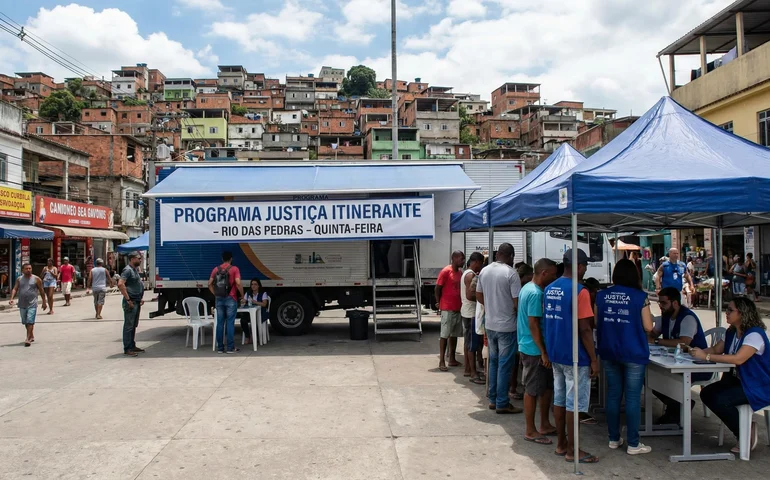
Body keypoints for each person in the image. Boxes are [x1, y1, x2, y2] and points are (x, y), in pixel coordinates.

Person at [692, 298, 770, 454]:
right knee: (707, 393)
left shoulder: (754, 334)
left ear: (742, 313)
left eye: (730, 310)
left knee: (720, 399)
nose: (726, 313)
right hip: (738, 381)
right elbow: (716, 349)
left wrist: (706, 357)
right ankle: (744, 427)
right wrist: (694, 352)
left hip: (757, 385)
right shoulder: (732, 331)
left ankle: (744, 432)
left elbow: (738, 359)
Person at [544, 248, 599, 463]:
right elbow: (585, 328)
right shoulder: (580, 291)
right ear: (579, 266)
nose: (585, 270)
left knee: (559, 400)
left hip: (556, 353)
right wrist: (593, 359)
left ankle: (561, 444)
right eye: (585, 266)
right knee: (574, 404)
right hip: (575, 356)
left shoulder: (550, 288)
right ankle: (573, 450)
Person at [595, 259, 655, 455]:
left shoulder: (601, 295)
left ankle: (613, 438)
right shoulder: (640, 297)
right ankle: (633, 444)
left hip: (609, 350)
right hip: (634, 352)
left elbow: (596, 321)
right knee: (632, 397)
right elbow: (648, 327)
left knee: (613, 394)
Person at [648, 287, 709, 424]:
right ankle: (678, 407)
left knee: (662, 378)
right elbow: (652, 334)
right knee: (649, 376)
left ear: (675, 303)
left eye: (664, 303)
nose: (660, 306)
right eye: (659, 303)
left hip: (695, 365)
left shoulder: (687, 318)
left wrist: (656, 341)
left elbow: (683, 342)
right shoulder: (664, 317)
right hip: (673, 361)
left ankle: (678, 408)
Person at [476, 242, 522, 414]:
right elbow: (517, 302)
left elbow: (478, 294)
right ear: (511, 256)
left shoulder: (485, 271)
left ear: (497, 255)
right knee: (504, 364)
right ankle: (502, 402)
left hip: (490, 324)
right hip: (507, 326)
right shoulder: (511, 273)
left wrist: (491, 306)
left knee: (494, 362)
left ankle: (493, 399)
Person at [518, 258, 558, 444]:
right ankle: (530, 430)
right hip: (534, 349)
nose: (555, 278)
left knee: (546, 387)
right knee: (532, 389)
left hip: (533, 347)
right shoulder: (535, 294)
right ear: (544, 273)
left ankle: (544, 424)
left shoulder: (527, 288)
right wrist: (543, 351)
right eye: (553, 274)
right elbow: (533, 323)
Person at [209, 251, 244, 354]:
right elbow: (238, 283)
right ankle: (230, 348)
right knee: (230, 323)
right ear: (231, 259)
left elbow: (209, 283)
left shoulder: (216, 269)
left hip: (219, 298)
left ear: (222, 259)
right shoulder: (234, 269)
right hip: (231, 298)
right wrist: (242, 295)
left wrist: (215, 294)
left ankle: (220, 348)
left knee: (220, 323)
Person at [436, 250, 466, 371]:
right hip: (447, 308)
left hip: (458, 308)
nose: (463, 261)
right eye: (461, 259)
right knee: (445, 334)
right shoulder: (445, 271)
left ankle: (452, 358)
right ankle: (442, 361)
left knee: (454, 334)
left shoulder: (460, 272)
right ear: (454, 259)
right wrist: (438, 303)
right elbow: (437, 288)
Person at [9, 263, 47, 347]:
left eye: (30, 268)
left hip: (32, 304)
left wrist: (44, 302)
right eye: (26, 269)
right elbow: (15, 288)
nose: (28, 270)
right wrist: (11, 298)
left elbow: (41, 291)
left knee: (30, 321)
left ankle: (27, 338)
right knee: (25, 321)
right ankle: (31, 335)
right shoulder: (19, 279)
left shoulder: (36, 279)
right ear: (22, 270)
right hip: (22, 304)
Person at [461, 252, 485, 383]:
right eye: (480, 264)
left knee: (468, 342)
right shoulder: (470, 275)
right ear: (475, 262)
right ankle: (473, 373)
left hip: (467, 311)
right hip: (471, 313)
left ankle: (468, 369)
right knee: (472, 344)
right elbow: (470, 295)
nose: (481, 267)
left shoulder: (466, 273)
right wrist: (482, 297)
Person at [118, 252, 145, 357]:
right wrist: (128, 299)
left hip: (136, 300)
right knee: (129, 326)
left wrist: (140, 297)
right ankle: (127, 348)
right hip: (131, 301)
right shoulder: (128, 270)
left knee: (133, 325)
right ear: (132, 259)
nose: (140, 260)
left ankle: (132, 345)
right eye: (139, 258)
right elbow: (120, 284)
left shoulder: (135, 270)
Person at [240, 278, 269, 345]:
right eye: (252, 284)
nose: (253, 286)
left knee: (256, 320)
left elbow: (264, 304)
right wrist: (243, 301)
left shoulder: (263, 293)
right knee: (243, 320)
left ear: (258, 286)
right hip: (250, 313)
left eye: (255, 284)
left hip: (260, 313)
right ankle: (248, 336)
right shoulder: (248, 293)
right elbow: (244, 301)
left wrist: (254, 302)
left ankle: (256, 337)